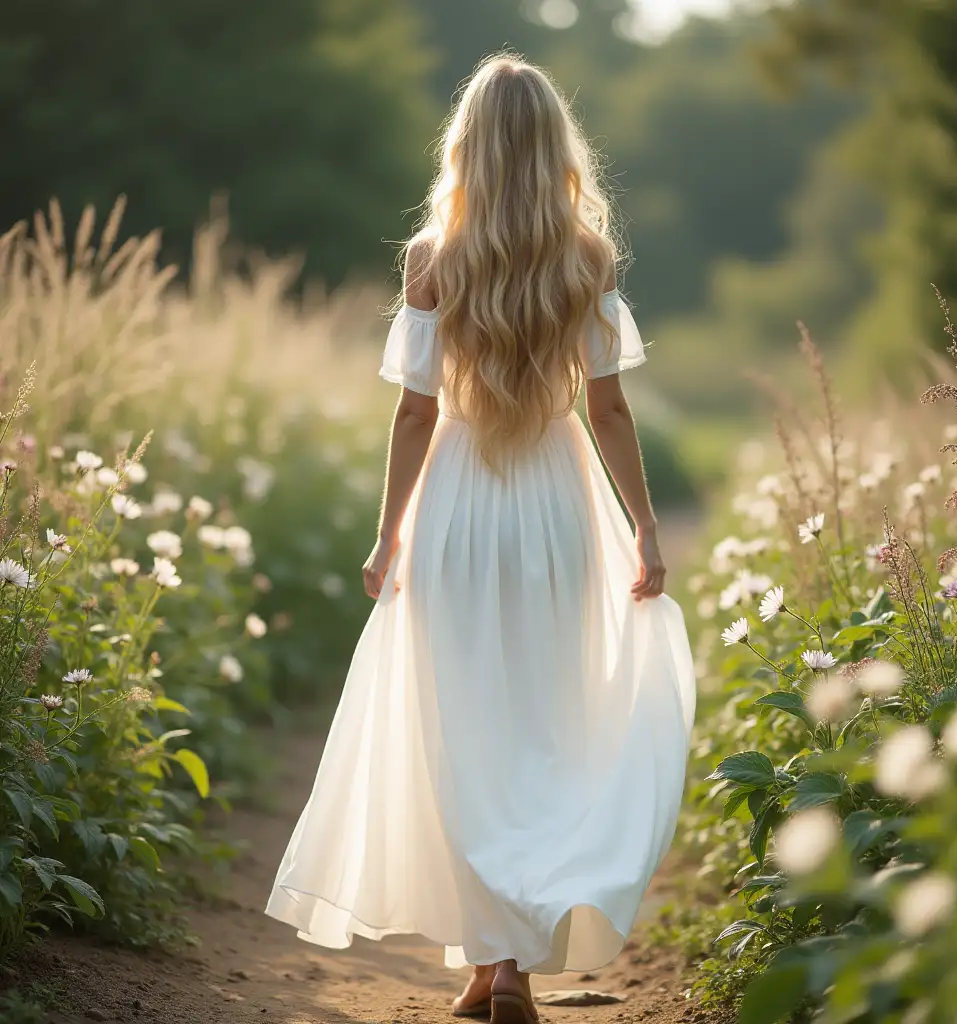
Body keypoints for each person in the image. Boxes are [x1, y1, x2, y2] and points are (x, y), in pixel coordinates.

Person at [265, 53, 696, 1024]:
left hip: (457, 507)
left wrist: (387, 535)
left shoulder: (432, 260)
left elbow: (415, 417)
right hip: (555, 505)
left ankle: (489, 965)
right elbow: (612, 410)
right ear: (555, 150)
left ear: (463, 149)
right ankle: (502, 970)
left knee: (460, 730)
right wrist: (647, 531)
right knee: (540, 729)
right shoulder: (587, 259)